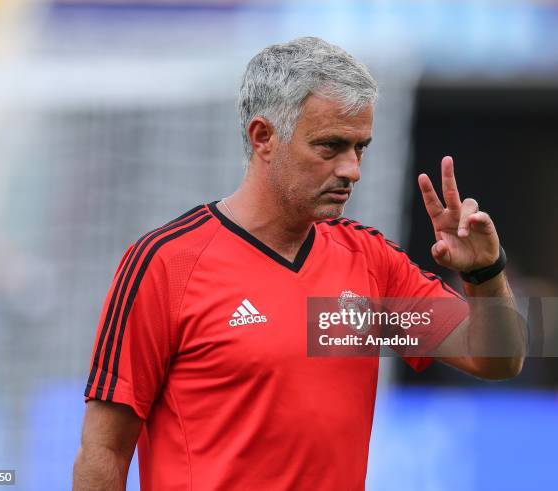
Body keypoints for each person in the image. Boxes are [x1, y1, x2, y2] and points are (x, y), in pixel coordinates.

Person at [72, 37, 524, 490]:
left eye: (360, 148)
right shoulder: (165, 263)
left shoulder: (370, 261)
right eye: (330, 146)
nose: (352, 170)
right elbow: (105, 448)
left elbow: (498, 360)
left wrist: (484, 273)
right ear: (264, 137)